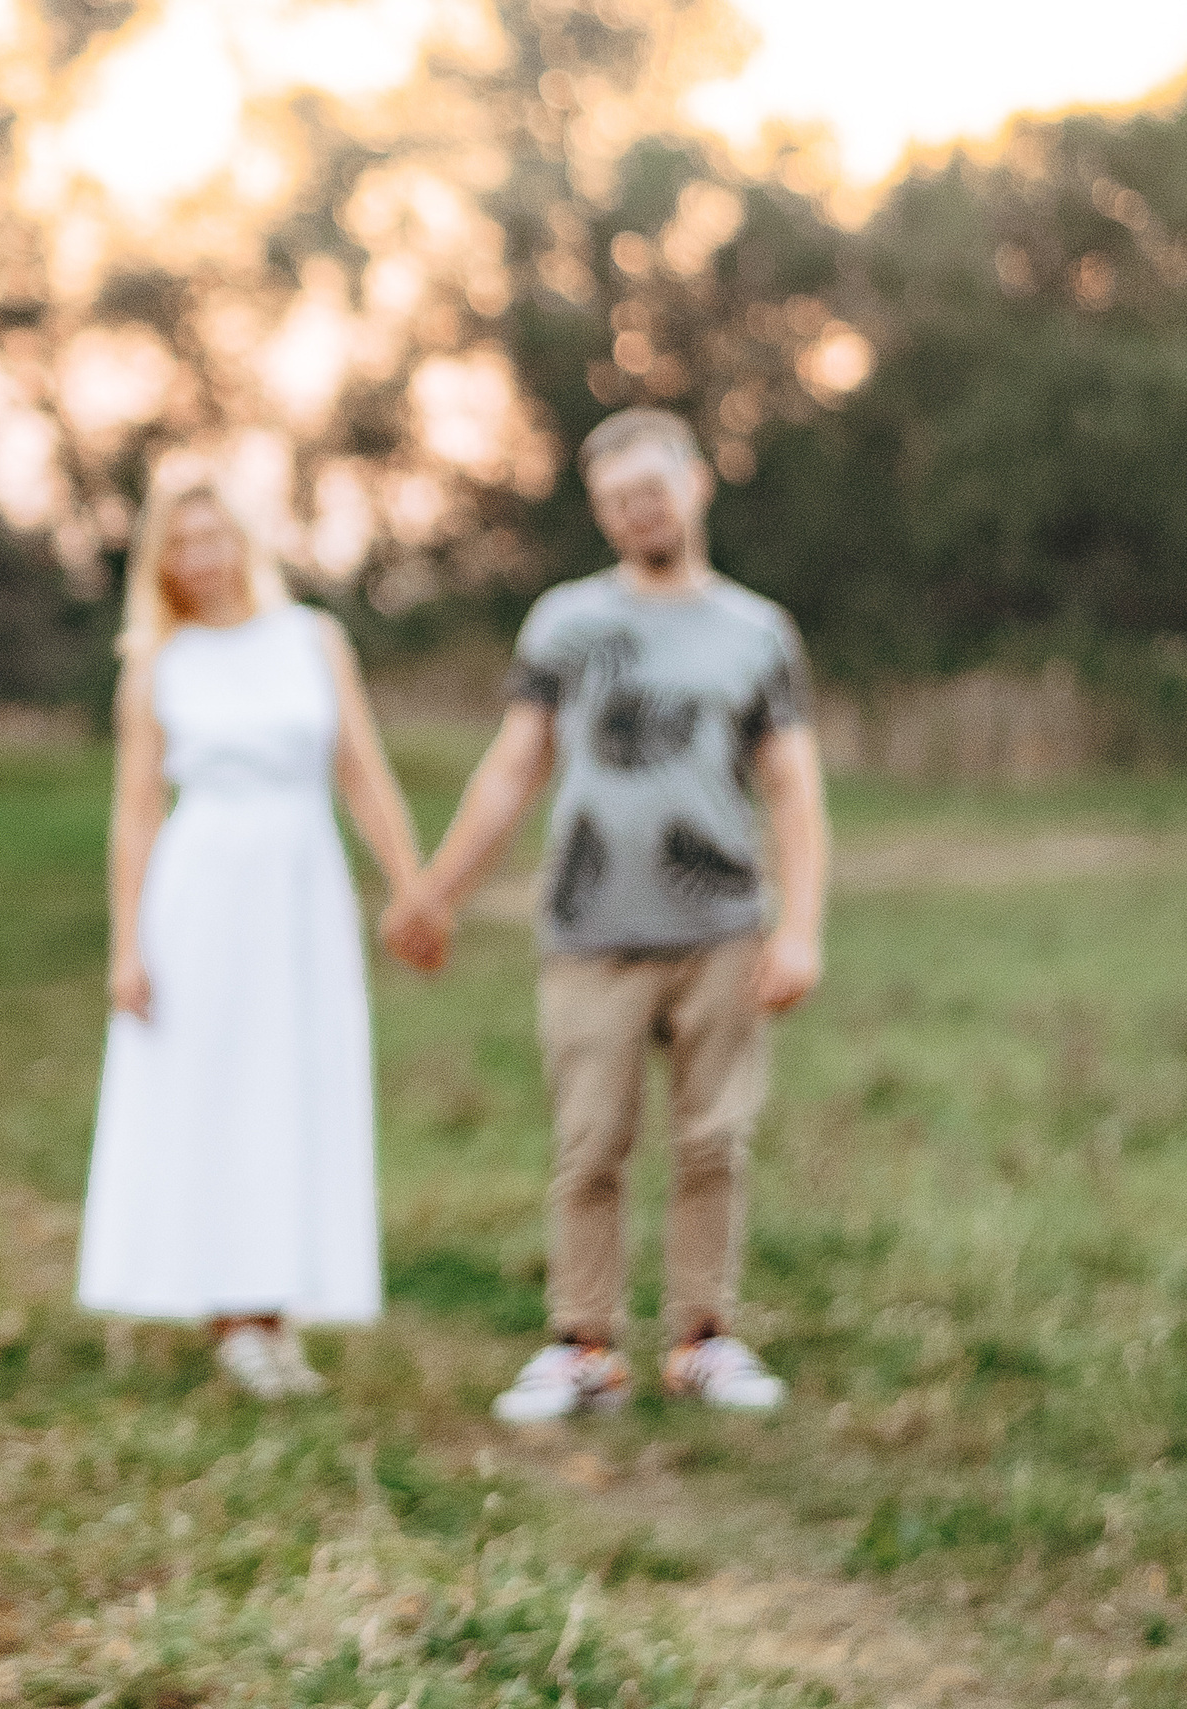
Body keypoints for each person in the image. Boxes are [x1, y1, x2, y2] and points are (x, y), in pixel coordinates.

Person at [382, 407, 828, 1424]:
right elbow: (512, 766)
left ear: (695, 483)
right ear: (599, 511)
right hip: (589, 927)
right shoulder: (563, 622)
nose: (638, 512)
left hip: (720, 924)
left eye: (652, 491)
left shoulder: (756, 631)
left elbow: (794, 791)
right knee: (589, 1145)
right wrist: (434, 889)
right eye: (617, 501)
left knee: (714, 1140)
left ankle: (702, 1338)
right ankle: (582, 1344)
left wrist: (797, 928)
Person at [78, 480, 424, 1398]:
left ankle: (277, 1303)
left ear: (243, 541)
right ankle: (231, 1312)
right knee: (215, 1090)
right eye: (182, 542)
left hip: (301, 890)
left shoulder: (314, 639)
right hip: (203, 893)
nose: (203, 557)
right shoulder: (158, 661)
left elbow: (362, 771)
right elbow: (137, 812)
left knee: (293, 1083)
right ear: (164, 559)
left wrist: (412, 888)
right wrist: (128, 947)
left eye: (215, 535)